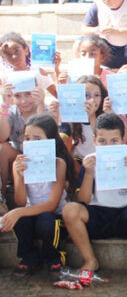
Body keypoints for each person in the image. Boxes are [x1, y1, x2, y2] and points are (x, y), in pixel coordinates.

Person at [61, 113, 127, 283]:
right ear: (94, 140)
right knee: (70, 210)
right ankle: (90, 260)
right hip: (98, 215)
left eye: (114, 141)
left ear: (123, 140)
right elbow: (83, 200)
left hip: (125, 216)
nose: (108, 145)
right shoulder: (90, 161)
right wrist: (89, 173)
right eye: (102, 141)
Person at [1, 114, 75, 279]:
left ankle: (53, 257)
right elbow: (21, 201)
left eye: (37, 139)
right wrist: (19, 176)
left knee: (45, 220)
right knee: (20, 220)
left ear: (50, 141)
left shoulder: (58, 163)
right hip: (31, 213)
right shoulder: (20, 164)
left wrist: (18, 211)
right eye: (27, 138)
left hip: (54, 216)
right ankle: (29, 258)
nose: (31, 143)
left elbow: (51, 205)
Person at [0, 82, 46, 206]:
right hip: (18, 158)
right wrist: (4, 105)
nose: (23, 101)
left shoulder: (45, 108)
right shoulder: (12, 111)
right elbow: (2, 137)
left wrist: (40, 104)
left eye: (28, 94)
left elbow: (45, 141)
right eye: (17, 96)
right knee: (3, 148)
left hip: (41, 158)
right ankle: (1, 198)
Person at [53, 75, 108, 169]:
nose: (92, 99)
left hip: (102, 159)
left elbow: (102, 139)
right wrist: (55, 118)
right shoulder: (71, 117)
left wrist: (92, 116)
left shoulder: (106, 114)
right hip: (80, 159)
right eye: (86, 95)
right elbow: (61, 141)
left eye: (97, 95)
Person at [0, 32, 59, 97]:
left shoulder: (38, 73)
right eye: (7, 54)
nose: (14, 56)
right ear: (3, 56)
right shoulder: (4, 77)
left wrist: (57, 71)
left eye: (16, 51)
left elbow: (59, 96)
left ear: (26, 50)